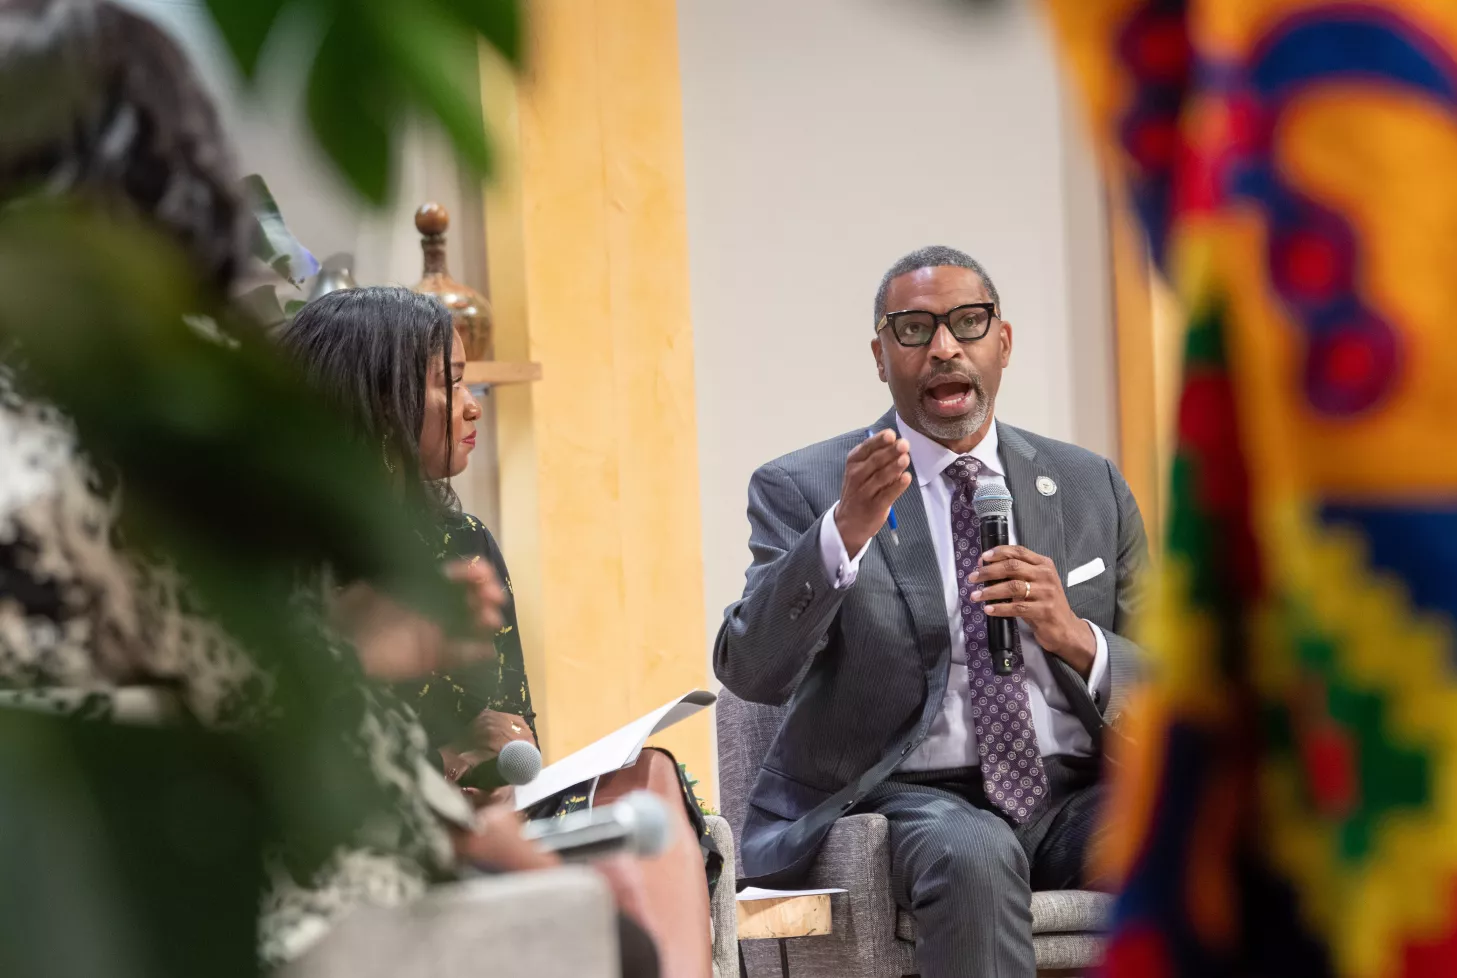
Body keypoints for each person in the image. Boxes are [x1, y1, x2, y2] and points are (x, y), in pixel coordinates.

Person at [0, 2, 654, 975]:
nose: (468, 406)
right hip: (201, 891)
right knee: (618, 933)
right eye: (445, 383)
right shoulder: (155, 444)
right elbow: (265, 723)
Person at [715, 245, 1150, 978]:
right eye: (914, 330)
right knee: (975, 851)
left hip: (1073, 793)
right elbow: (751, 669)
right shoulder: (807, 485)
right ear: (881, 356)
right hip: (909, 796)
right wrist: (843, 530)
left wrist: (1078, 639)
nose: (944, 348)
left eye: (967, 323)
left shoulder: (1088, 484)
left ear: (1002, 343)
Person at [280, 286, 718, 978]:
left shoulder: (463, 541)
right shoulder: (278, 550)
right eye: (448, 383)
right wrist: (445, 766)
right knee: (610, 917)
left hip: (485, 814)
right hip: (381, 830)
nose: (471, 403)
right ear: (373, 397)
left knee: (651, 772)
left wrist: (506, 744)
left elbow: (515, 736)